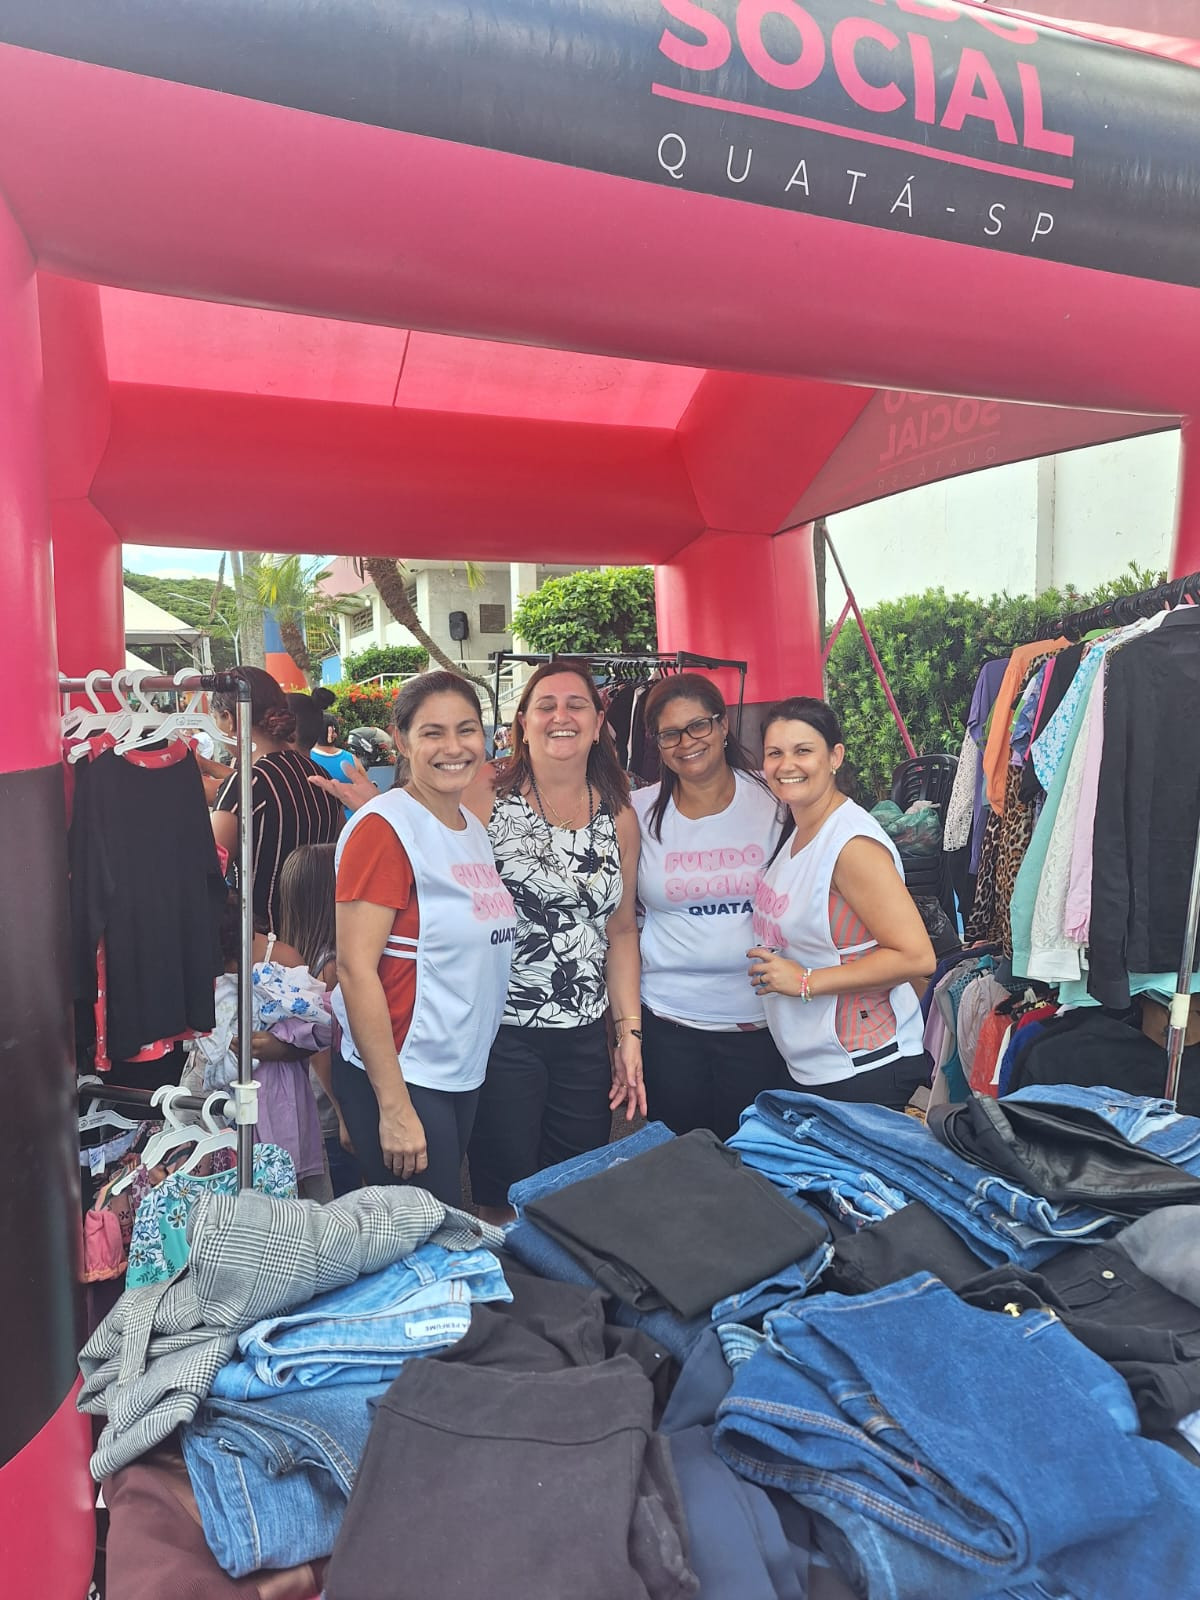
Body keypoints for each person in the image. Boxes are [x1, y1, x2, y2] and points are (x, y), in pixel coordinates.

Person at [464, 659, 645, 1225]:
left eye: (576, 706)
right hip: (500, 1030)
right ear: (522, 723)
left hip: (584, 1034)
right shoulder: (484, 796)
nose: (560, 716)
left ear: (597, 725)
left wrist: (628, 1034)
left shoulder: (619, 816)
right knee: (501, 1194)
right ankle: (511, 1301)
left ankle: (565, 1304)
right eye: (545, 705)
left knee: (575, 1190)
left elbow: (620, 932)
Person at [332, 672, 516, 1204]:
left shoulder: (471, 828)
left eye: (467, 730)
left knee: (443, 1232)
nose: (454, 748)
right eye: (433, 733)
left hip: (457, 1067)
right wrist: (391, 1105)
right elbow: (354, 969)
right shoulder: (385, 829)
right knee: (426, 1248)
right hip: (406, 1072)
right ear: (403, 739)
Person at [747, 697, 936, 1111]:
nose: (786, 765)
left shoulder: (851, 846)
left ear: (835, 757)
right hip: (812, 1062)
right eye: (775, 753)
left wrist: (803, 982)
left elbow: (917, 957)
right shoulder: (797, 828)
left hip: (863, 1068)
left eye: (803, 751)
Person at [633, 674, 788, 1139]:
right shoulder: (636, 812)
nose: (687, 742)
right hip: (669, 1023)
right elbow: (620, 921)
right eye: (670, 734)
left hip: (762, 1023)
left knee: (757, 1167)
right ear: (657, 746)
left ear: (723, 727)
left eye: (698, 726)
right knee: (684, 1167)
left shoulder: (776, 799)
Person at [212, 667, 342, 932]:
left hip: (265, 950)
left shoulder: (246, 785)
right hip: (322, 938)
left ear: (230, 720)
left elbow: (206, 871)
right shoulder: (319, 775)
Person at [277, 843, 362, 1196]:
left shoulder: (291, 953)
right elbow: (320, 1050)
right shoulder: (331, 966)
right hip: (330, 1112)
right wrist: (346, 1117)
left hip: (307, 1108)